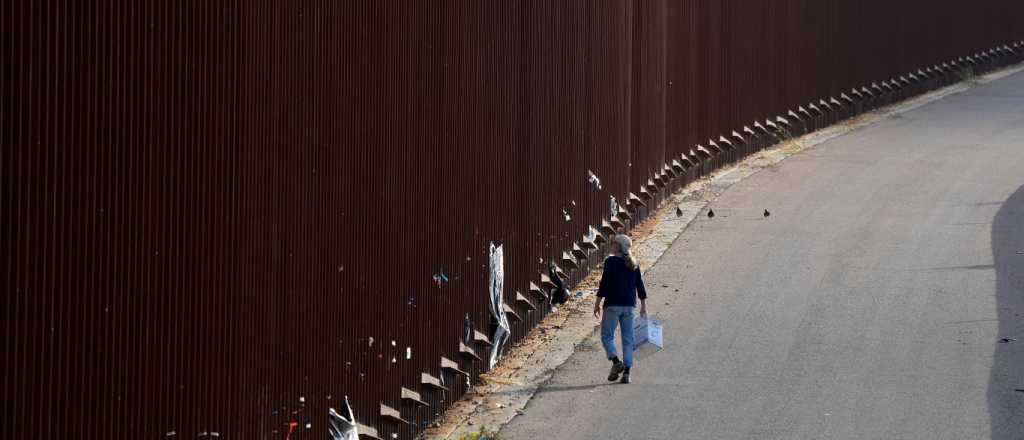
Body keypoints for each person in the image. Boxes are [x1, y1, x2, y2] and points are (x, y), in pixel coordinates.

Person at [593, 234, 648, 384]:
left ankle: (616, 361)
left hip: (612, 305)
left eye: (613, 242)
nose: (611, 244)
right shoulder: (634, 263)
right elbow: (640, 286)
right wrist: (643, 306)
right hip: (630, 306)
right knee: (628, 340)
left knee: (607, 336)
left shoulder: (610, 262)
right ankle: (627, 374)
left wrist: (597, 303)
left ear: (618, 246)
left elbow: (604, 284)